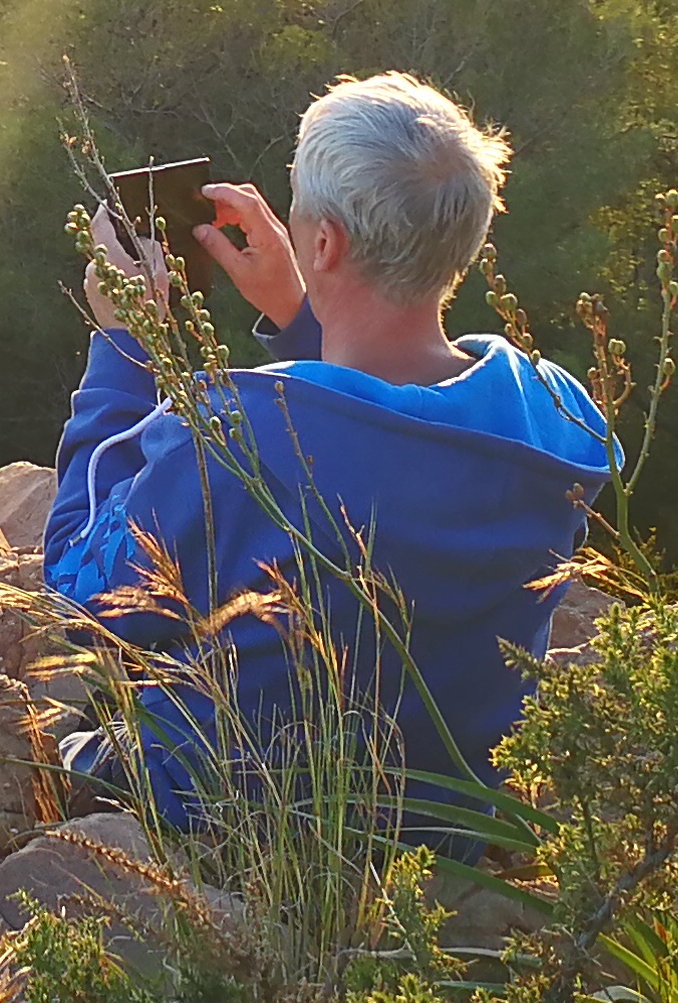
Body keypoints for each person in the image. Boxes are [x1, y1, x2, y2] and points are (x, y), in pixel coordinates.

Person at [42, 71, 613, 833]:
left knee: (75, 741)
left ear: (323, 242)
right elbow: (392, 434)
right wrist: (302, 314)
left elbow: (80, 590)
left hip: (244, 823)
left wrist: (123, 346)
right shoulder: (554, 417)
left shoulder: (242, 439)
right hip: (454, 825)